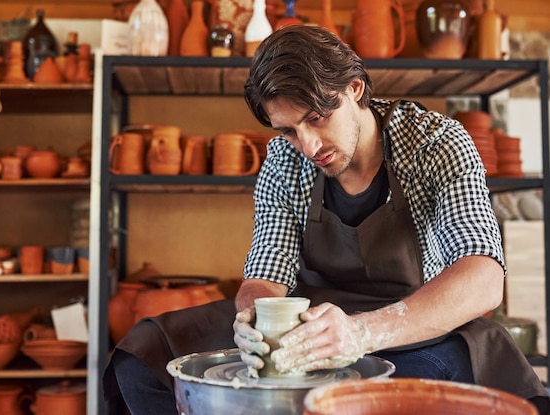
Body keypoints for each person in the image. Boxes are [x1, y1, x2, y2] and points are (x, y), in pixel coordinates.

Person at [103, 25, 550, 414]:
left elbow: (483, 278)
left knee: (444, 385)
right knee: (142, 355)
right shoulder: (284, 159)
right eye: (289, 129)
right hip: (310, 325)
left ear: (355, 88)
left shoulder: (435, 143)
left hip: (410, 324)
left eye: (318, 118)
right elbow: (266, 272)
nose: (309, 144)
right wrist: (252, 320)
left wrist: (359, 333)